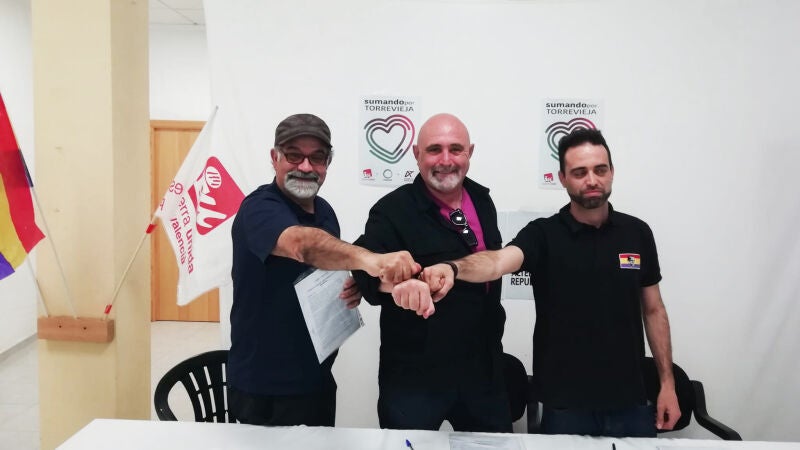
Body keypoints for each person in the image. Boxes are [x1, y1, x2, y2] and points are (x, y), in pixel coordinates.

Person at [415, 128, 681, 437]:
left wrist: (668, 384)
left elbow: (654, 310)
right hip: (564, 408)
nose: (591, 180)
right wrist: (453, 268)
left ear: (612, 172)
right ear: (562, 178)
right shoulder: (543, 235)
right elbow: (498, 261)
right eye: (579, 172)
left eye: (600, 170)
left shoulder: (637, 233)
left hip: (631, 403)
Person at [228, 113, 419, 427]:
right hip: (264, 387)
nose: (306, 167)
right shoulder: (258, 208)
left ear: (327, 163)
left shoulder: (325, 211)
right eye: (294, 155)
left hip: (316, 378)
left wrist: (349, 284)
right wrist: (371, 260)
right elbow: (300, 245)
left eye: (317, 157)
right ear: (274, 158)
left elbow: (324, 262)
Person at [352, 113, 512, 432]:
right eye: (434, 149)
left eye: (456, 149)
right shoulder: (392, 210)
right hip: (415, 377)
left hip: (483, 371)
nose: (446, 160)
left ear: (470, 152)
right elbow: (366, 267)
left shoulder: (483, 201)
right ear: (416, 154)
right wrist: (395, 285)